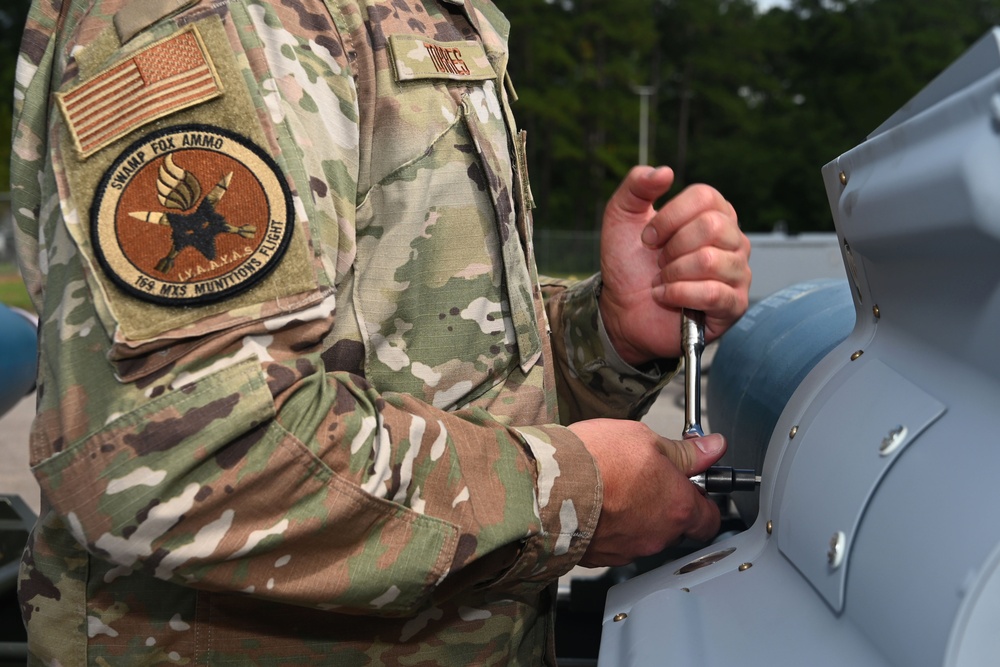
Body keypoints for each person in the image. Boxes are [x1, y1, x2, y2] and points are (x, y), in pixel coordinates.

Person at [11, 0, 751, 663]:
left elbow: (430, 370)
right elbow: (185, 451)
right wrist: (568, 493)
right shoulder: (230, 16)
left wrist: (609, 337)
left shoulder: (427, 14)